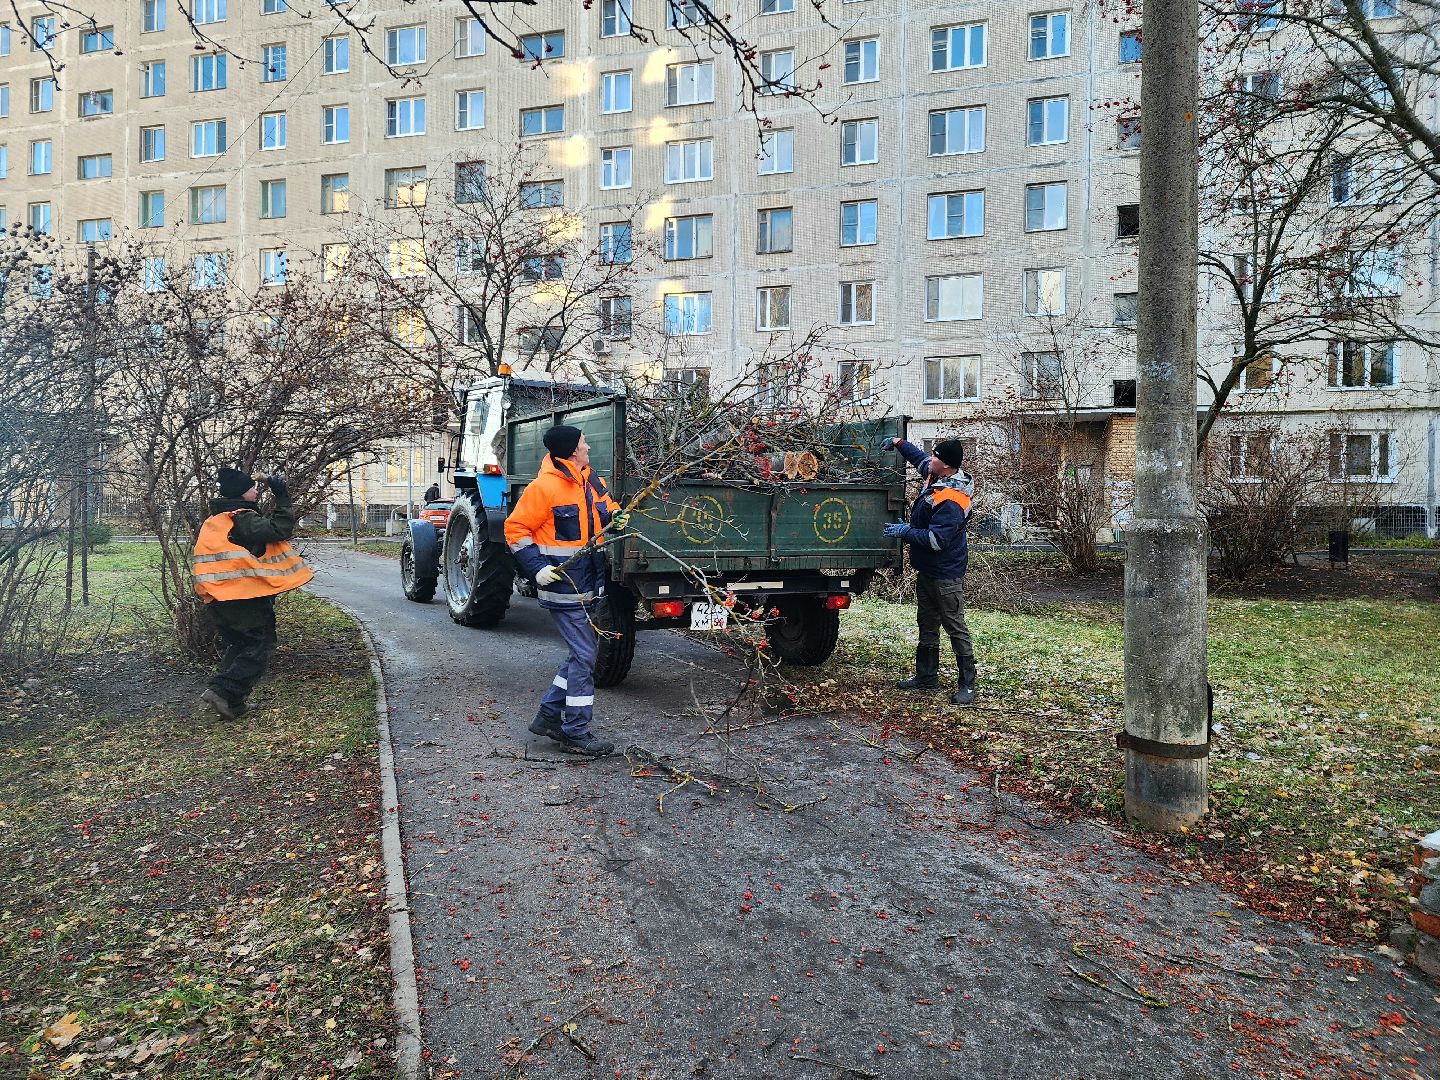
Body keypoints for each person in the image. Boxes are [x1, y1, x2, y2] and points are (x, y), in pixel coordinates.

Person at [504, 425, 628, 757]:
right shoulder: (543, 488)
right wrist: (536, 567)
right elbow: (515, 529)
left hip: (591, 587)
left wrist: (617, 518)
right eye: (584, 442)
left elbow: (607, 506)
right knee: (586, 657)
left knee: (578, 655)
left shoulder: (590, 479)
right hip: (565, 589)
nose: (588, 445)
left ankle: (547, 717)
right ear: (572, 450)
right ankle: (575, 732)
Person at [193, 467, 313, 721]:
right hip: (242, 597)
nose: (256, 489)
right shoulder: (242, 519)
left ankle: (231, 703)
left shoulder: (219, 518)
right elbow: (279, 529)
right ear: (241, 492)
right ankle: (222, 692)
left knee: (239, 646)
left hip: (220, 596)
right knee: (260, 645)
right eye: (252, 487)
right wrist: (281, 494)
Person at [881, 437, 978, 706]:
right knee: (927, 622)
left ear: (946, 464)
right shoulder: (937, 476)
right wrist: (899, 443)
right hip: (927, 571)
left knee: (954, 626)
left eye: (934, 456)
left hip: (946, 574)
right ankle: (926, 677)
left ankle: (967, 684)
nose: (929, 459)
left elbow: (937, 541)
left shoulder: (952, 499)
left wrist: (907, 532)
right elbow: (918, 459)